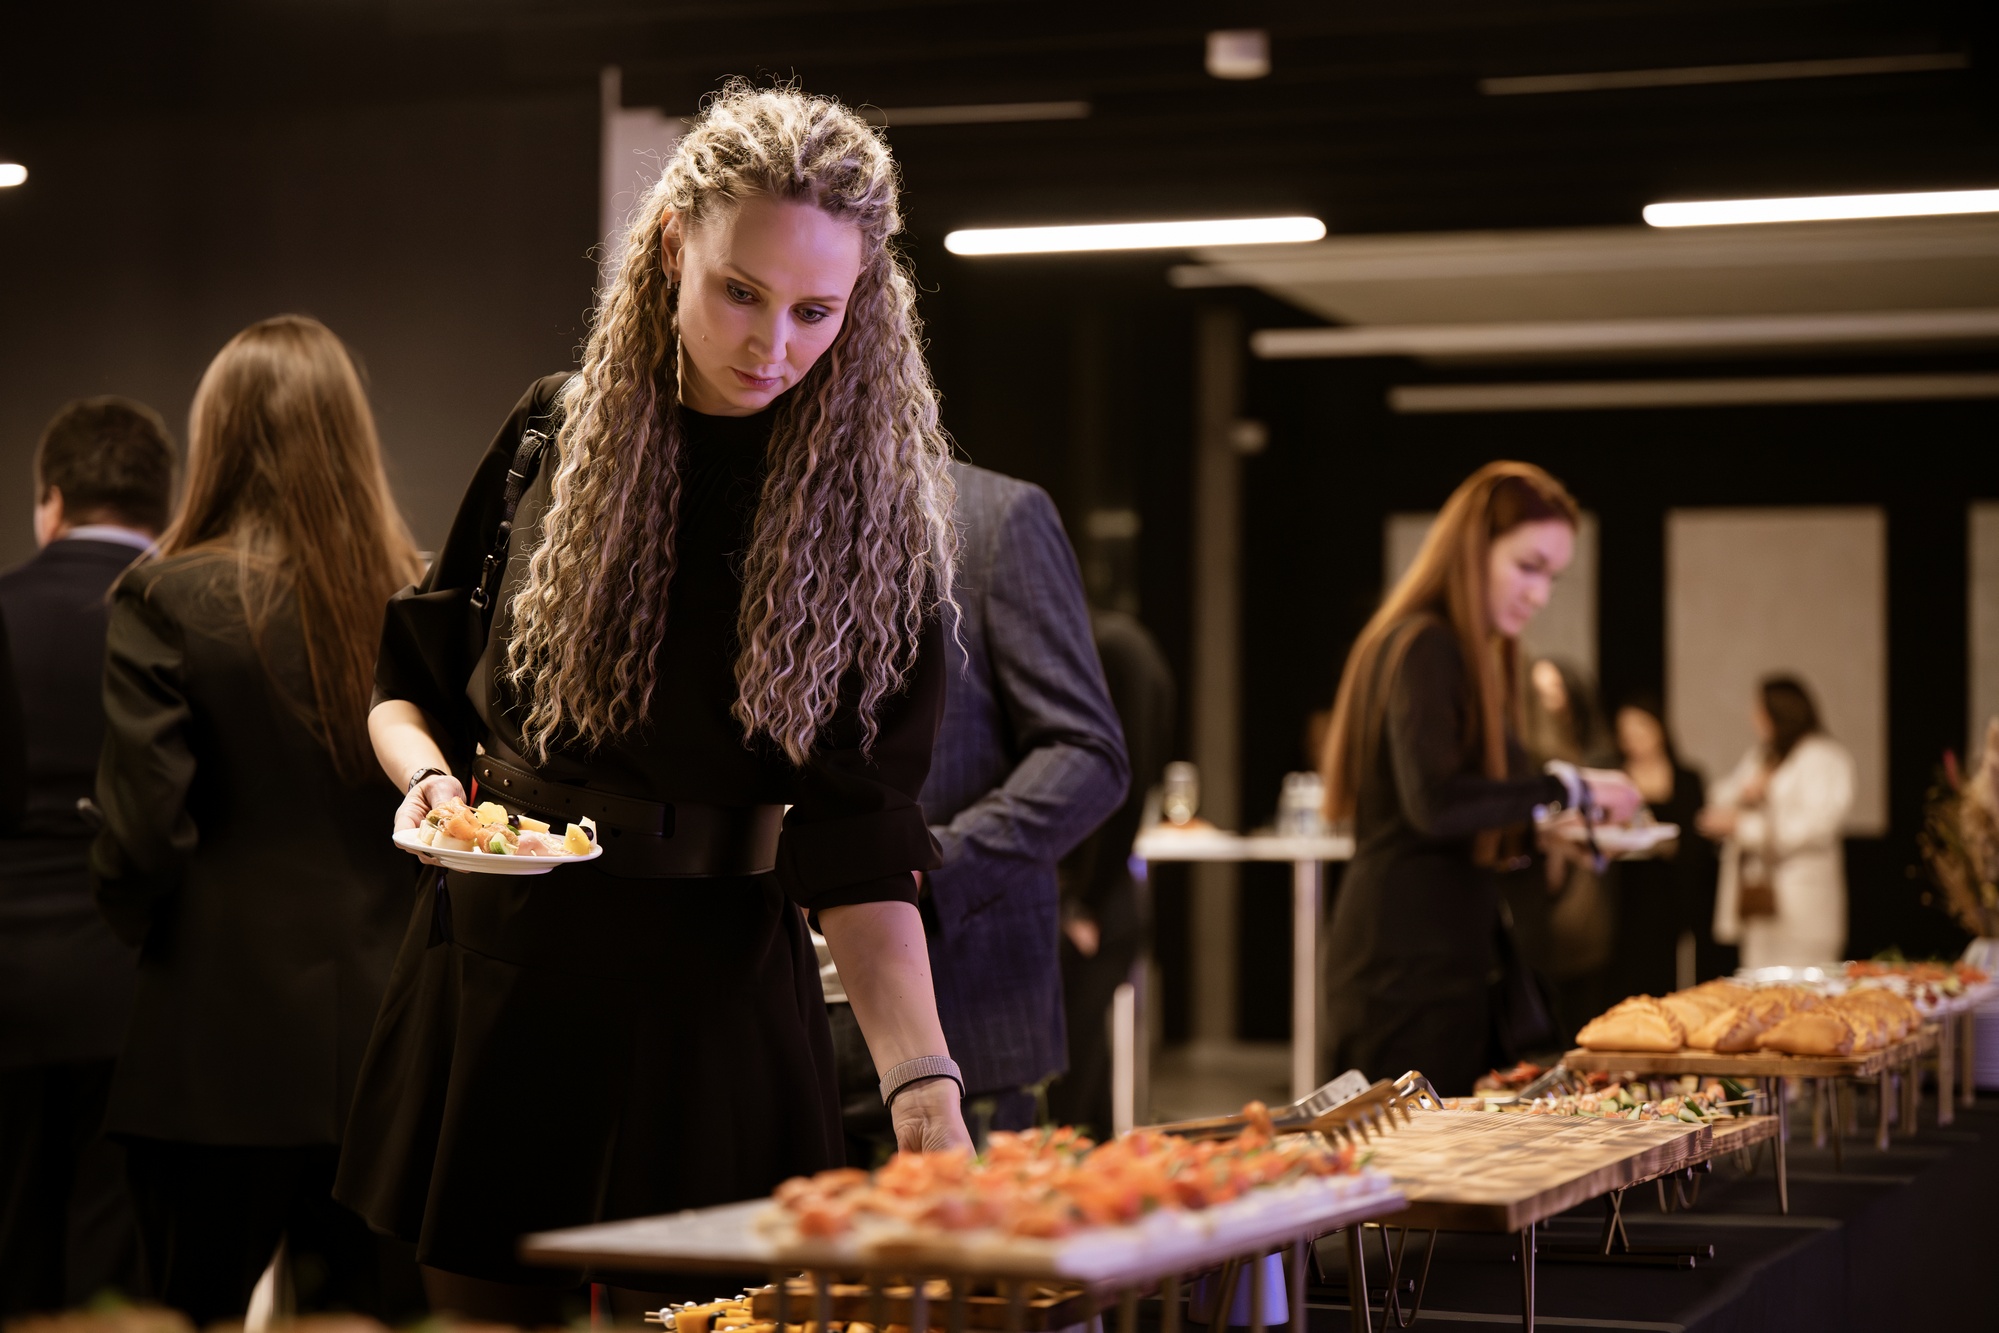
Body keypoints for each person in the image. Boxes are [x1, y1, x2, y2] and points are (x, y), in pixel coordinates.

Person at [335, 85, 970, 1321]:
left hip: (714, 995)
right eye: (741, 291)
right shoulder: (551, 434)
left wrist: (924, 1092)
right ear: (674, 243)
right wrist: (429, 786)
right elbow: (407, 686)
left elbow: (860, 844)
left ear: (863, 301)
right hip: (504, 970)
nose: (772, 344)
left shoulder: (870, 523)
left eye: (815, 310)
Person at [87, 317, 425, 1324]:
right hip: (387, 1051)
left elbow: (144, 831)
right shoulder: (416, 596)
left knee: (186, 1317)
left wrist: (138, 922)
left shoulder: (161, 595)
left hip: (210, 1047)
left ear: (219, 434)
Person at [1317, 462, 1642, 1095]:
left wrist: (1540, 834)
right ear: (1474, 550)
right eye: (1528, 566)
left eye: (1551, 575)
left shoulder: (1449, 649)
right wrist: (1569, 788)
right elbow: (1434, 804)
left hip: (1434, 957)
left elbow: (1445, 812)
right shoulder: (1427, 644)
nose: (1539, 594)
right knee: (1412, 1150)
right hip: (1404, 965)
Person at [0, 397, 172, 1314]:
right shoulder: (188, 618)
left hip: (6, 988)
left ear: (52, 503)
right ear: (162, 508)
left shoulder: (3, 612)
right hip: (140, 992)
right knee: (118, 1283)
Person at [907, 464, 1128, 1141]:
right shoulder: (730, 509)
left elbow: (1087, 752)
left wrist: (931, 864)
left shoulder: (994, 517)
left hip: (961, 992)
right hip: (768, 1010)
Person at [1049, 608, 1174, 1139]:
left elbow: (1126, 781)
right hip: (1100, 895)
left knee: (1069, 1090)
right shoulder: (1122, 642)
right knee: (1086, 1086)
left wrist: (1087, 902)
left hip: (1094, 902)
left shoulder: (1114, 647)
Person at [1698, 676, 1853, 970]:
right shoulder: (1764, 756)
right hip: (1759, 902)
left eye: (1759, 710)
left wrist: (1745, 827)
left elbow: (1817, 827)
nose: (1753, 718)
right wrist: (1747, 792)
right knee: (1757, 983)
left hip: (1803, 903)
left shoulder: (1824, 758)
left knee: (1804, 983)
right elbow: (1721, 795)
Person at [1521, 658, 1617, 1037]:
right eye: (1539, 690)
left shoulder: (1594, 754)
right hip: (1532, 890)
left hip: (1581, 888)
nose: (1547, 699)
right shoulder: (1524, 754)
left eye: (1555, 688)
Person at [1608, 693, 1719, 996]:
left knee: (1674, 973)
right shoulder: (1613, 780)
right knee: (1627, 974)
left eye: (1640, 728)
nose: (1633, 738)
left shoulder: (1686, 778)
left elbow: (1698, 841)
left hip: (1672, 890)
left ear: (1659, 729)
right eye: (1626, 732)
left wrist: (1666, 844)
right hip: (1626, 891)